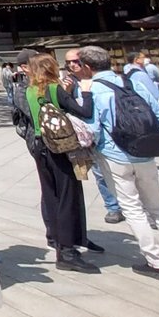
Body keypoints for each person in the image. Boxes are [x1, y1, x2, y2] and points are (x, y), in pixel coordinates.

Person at [78, 45, 159, 281]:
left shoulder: (93, 90)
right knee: (158, 206)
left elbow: (93, 129)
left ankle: (156, 261)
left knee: (132, 208)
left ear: (87, 67)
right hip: (145, 152)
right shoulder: (132, 83)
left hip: (114, 155)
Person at [17, 54, 99, 270]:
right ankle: (68, 252)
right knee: (67, 196)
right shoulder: (54, 89)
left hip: (39, 145)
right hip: (59, 147)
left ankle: (58, 243)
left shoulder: (30, 90)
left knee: (51, 196)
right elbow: (84, 112)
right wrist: (86, 92)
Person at [58, 48, 124, 223]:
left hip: (114, 133)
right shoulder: (68, 82)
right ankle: (113, 207)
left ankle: (141, 208)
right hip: (90, 138)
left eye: (76, 61)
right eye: (68, 62)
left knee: (127, 175)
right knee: (100, 174)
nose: (72, 65)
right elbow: (68, 109)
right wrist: (66, 93)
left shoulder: (101, 80)